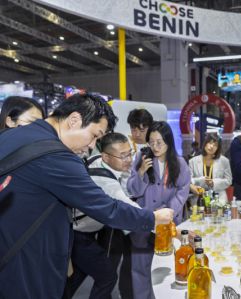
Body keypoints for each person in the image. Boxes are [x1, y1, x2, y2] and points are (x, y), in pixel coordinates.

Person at [0, 94, 174, 299]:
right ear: (74, 120)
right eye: (94, 135)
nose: (92, 146)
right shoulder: (58, 157)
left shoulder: (10, 136)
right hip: (27, 267)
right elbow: (107, 208)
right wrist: (153, 218)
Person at [67, 132, 138, 299]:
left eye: (130, 153)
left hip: (86, 232)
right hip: (78, 235)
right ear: (106, 157)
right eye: (123, 156)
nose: (129, 159)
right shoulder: (104, 181)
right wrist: (168, 229)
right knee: (107, 276)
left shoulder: (98, 160)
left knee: (79, 275)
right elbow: (130, 209)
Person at [127, 121, 190, 299]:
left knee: (165, 267)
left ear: (169, 142)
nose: (155, 146)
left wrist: (169, 211)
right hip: (143, 221)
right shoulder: (142, 158)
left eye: (159, 142)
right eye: (151, 142)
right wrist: (140, 173)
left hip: (167, 224)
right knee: (140, 268)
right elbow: (133, 190)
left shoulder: (179, 163)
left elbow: (182, 190)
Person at [189, 133, 232, 204]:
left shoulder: (224, 161)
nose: (211, 146)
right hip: (199, 199)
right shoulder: (192, 161)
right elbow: (188, 181)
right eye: (210, 143)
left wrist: (213, 182)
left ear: (218, 148)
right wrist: (201, 180)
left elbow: (229, 180)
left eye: (215, 145)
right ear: (205, 143)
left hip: (219, 199)